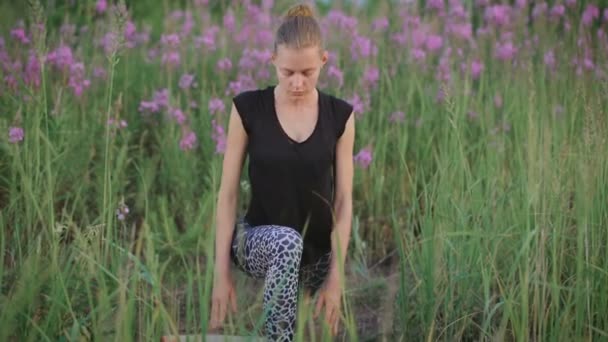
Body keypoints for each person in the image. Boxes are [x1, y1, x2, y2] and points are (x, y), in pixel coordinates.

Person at [209, 3, 355, 341]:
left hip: (316, 254)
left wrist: (336, 281)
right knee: (287, 242)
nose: (298, 83)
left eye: (307, 72)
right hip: (255, 241)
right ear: (272, 60)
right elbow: (228, 194)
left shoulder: (341, 117)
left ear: (324, 61)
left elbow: (345, 201)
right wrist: (221, 275)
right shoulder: (248, 109)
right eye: (288, 72)